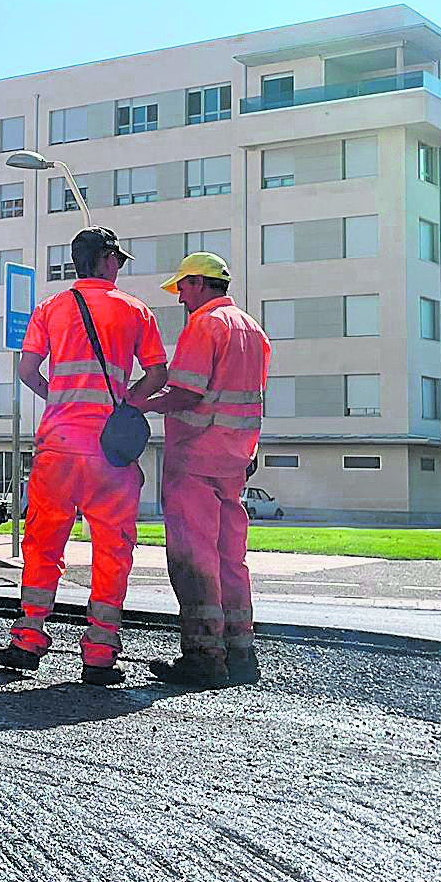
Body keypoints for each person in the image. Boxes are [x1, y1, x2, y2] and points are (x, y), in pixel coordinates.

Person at [0, 227, 169, 686]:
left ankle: (28, 638)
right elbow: (158, 373)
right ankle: (99, 652)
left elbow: (28, 370)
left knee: (43, 543)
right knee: (112, 549)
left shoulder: (49, 309)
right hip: (109, 453)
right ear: (108, 260)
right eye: (120, 260)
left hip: (57, 447)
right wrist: (125, 401)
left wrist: (60, 399)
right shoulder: (134, 311)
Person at [134, 252, 271, 689]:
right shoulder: (253, 330)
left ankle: (203, 656)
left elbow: (187, 394)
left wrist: (137, 404)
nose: (179, 300)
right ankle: (241, 652)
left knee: (194, 558)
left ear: (198, 284)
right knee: (231, 559)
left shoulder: (205, 326)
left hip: (195, 458)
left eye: (181, 290)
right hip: (234, 461)